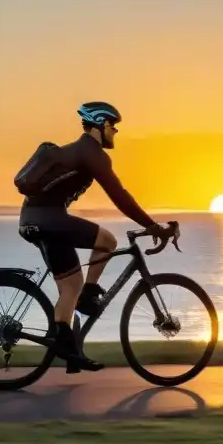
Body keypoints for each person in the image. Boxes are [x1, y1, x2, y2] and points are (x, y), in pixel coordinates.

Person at [15, 101, 171, 373]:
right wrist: (152, 225)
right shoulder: (91, 152)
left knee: (70, 286)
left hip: (32, 221)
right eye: (114, 126)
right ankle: (89, 297)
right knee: (108, 241)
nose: (115, 132)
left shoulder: (80, 151)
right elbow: (119, 196)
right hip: (49, 220)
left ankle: (69, 349)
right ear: (100, 124)